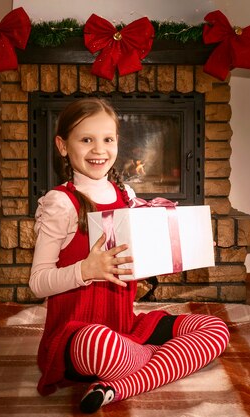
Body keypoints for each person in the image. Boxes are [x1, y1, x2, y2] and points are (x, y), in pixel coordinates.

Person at [29, 97, 230, 414]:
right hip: (81, 339)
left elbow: (140, 261)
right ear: (63, 146)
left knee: (216, 330)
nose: (99, 150)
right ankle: (162, 359)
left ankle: (117, 385)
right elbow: (37, 283)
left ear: (117, 143)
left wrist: (187, 244)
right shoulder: (60, 202)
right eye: (86, 139)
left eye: (108, 139)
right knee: (99, 343)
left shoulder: (127, 196)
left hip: (125, 328)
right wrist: (85, 270)